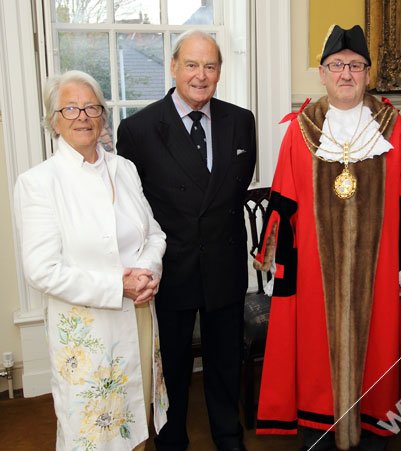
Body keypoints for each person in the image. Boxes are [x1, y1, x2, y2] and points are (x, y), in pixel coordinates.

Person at [254, 25, 401, 451]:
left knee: (378, 365)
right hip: (317, 280)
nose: (346, 74)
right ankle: (319, 434)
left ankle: (372, 437)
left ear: (368, 73)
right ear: (322, 73)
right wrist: (281, 274)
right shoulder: (300, 131)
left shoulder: (393, 127)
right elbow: (283, 205)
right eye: (337, 65)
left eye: (355, 65)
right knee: (316, 365)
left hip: (381, 274)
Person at [13, 70, 168, 450]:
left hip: (141, 315)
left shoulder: (124, 169)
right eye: (70, 108)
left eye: (91, 107)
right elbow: (42, 270)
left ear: (102, 116)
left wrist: (147, 272)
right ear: (54, 120)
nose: (82, 115)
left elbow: (154, 234)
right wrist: (119, 285)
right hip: (88, 333)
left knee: (138, 423)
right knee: (95, 434)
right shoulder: (38, 182)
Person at [116, 30, 257, 451]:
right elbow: (133, 207)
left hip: (224, 263)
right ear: (173, 66)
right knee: (172, 367)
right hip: (170, 267)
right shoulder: (138, 129)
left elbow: (234, 188)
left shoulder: (241, 120)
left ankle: (228, 436)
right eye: (191, 65)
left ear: (219, 72)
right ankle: (172, 440)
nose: (200, 75)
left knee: (225, 363)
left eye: (210, 66)